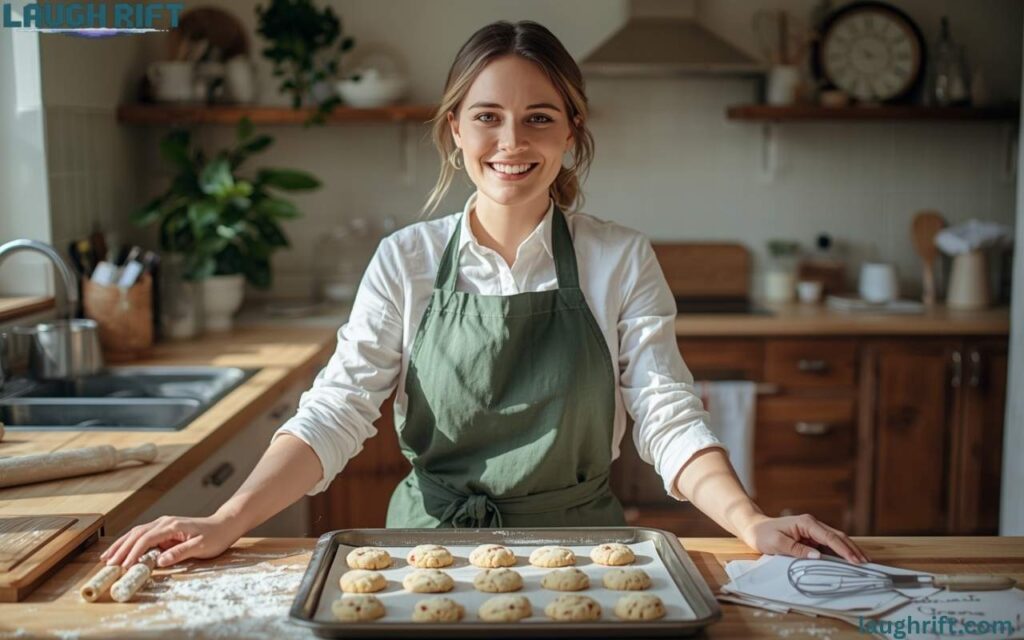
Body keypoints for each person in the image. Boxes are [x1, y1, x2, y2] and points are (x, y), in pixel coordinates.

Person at [104, 20, 868, 569]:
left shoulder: (619, 257)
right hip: (421, 553)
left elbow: (667, 416)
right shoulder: (404, 261)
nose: (512, 142)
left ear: (571, 131)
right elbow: (336, 411)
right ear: (453, 132)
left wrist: (751, 521)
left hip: (585, 556)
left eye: (539, 118)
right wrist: (227, 521)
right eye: (488, 117)